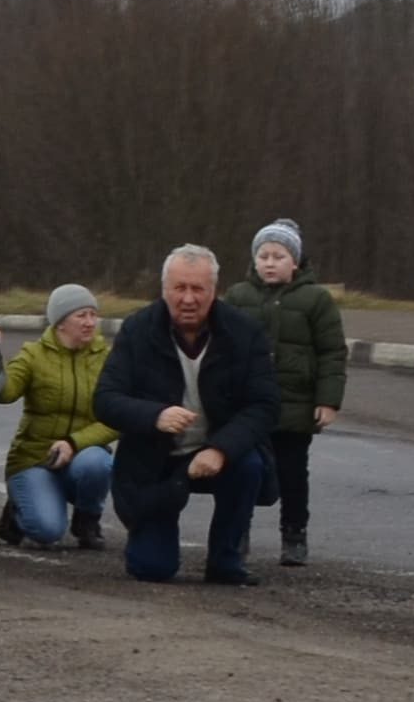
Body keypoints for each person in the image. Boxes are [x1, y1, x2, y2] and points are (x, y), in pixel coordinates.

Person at [88, 245, 279, 585]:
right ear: (164, 290)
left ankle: (226, 557)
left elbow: (264, 405)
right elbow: (105, 399)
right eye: (179, 288)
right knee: (152, 569)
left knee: (249, 464)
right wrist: (154, 416)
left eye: (197, 289)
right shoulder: (137, 330)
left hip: (217, 453)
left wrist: (220, 448)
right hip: (155, 462)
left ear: (213, 291)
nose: (188, 299)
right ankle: (150, 536)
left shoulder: (244, 333)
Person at [221, 220, 347, 567]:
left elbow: (332, 352)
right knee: (242, 471)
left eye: (279, 255)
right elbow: (221, 349)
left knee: (292, 475)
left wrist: (328, 399)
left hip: (294, 408)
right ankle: (236, 533)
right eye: (263, 255)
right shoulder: (237, 297)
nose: (270, 262)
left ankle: (294, 535)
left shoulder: (316, 300)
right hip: (245, 409)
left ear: (295, 261)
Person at [0, 284, 118, 550]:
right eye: (81, 316)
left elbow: (116, 417)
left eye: (93, 315)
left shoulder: (107, 359)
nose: (90, 323)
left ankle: (87, 520)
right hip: (35, 459)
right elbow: (5, 394)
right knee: (47, 531)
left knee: (98, 464)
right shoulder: (32, 355)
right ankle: (19, 511)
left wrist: (73, 443)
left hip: (81, 455)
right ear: (61, 322)